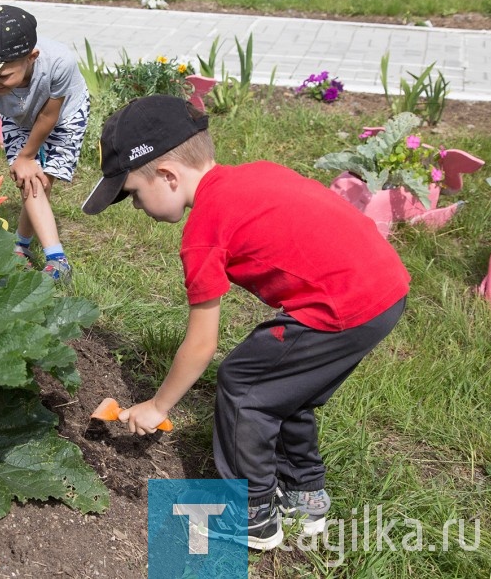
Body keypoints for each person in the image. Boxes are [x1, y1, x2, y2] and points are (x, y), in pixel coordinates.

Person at [81, 95, 410, 551]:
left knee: (245, 385)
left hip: (342, 305)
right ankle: (304, 495)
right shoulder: (255, 173)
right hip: (383, 290)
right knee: (286, 388)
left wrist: (158, 406)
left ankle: (251, 514)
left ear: (168, 176)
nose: (135, 207)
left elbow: (201, 344)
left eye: (133, 194)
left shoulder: (204, 232)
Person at [0, 4, 90, 283]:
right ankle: (25, 249)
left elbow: (49, 115)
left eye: (2, 76)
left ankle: (53, 259)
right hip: (17, 116)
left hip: (64, 115)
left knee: (39, 178)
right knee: (30, 180)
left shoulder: (59, 63)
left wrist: (27, 156)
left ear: (31, 57)